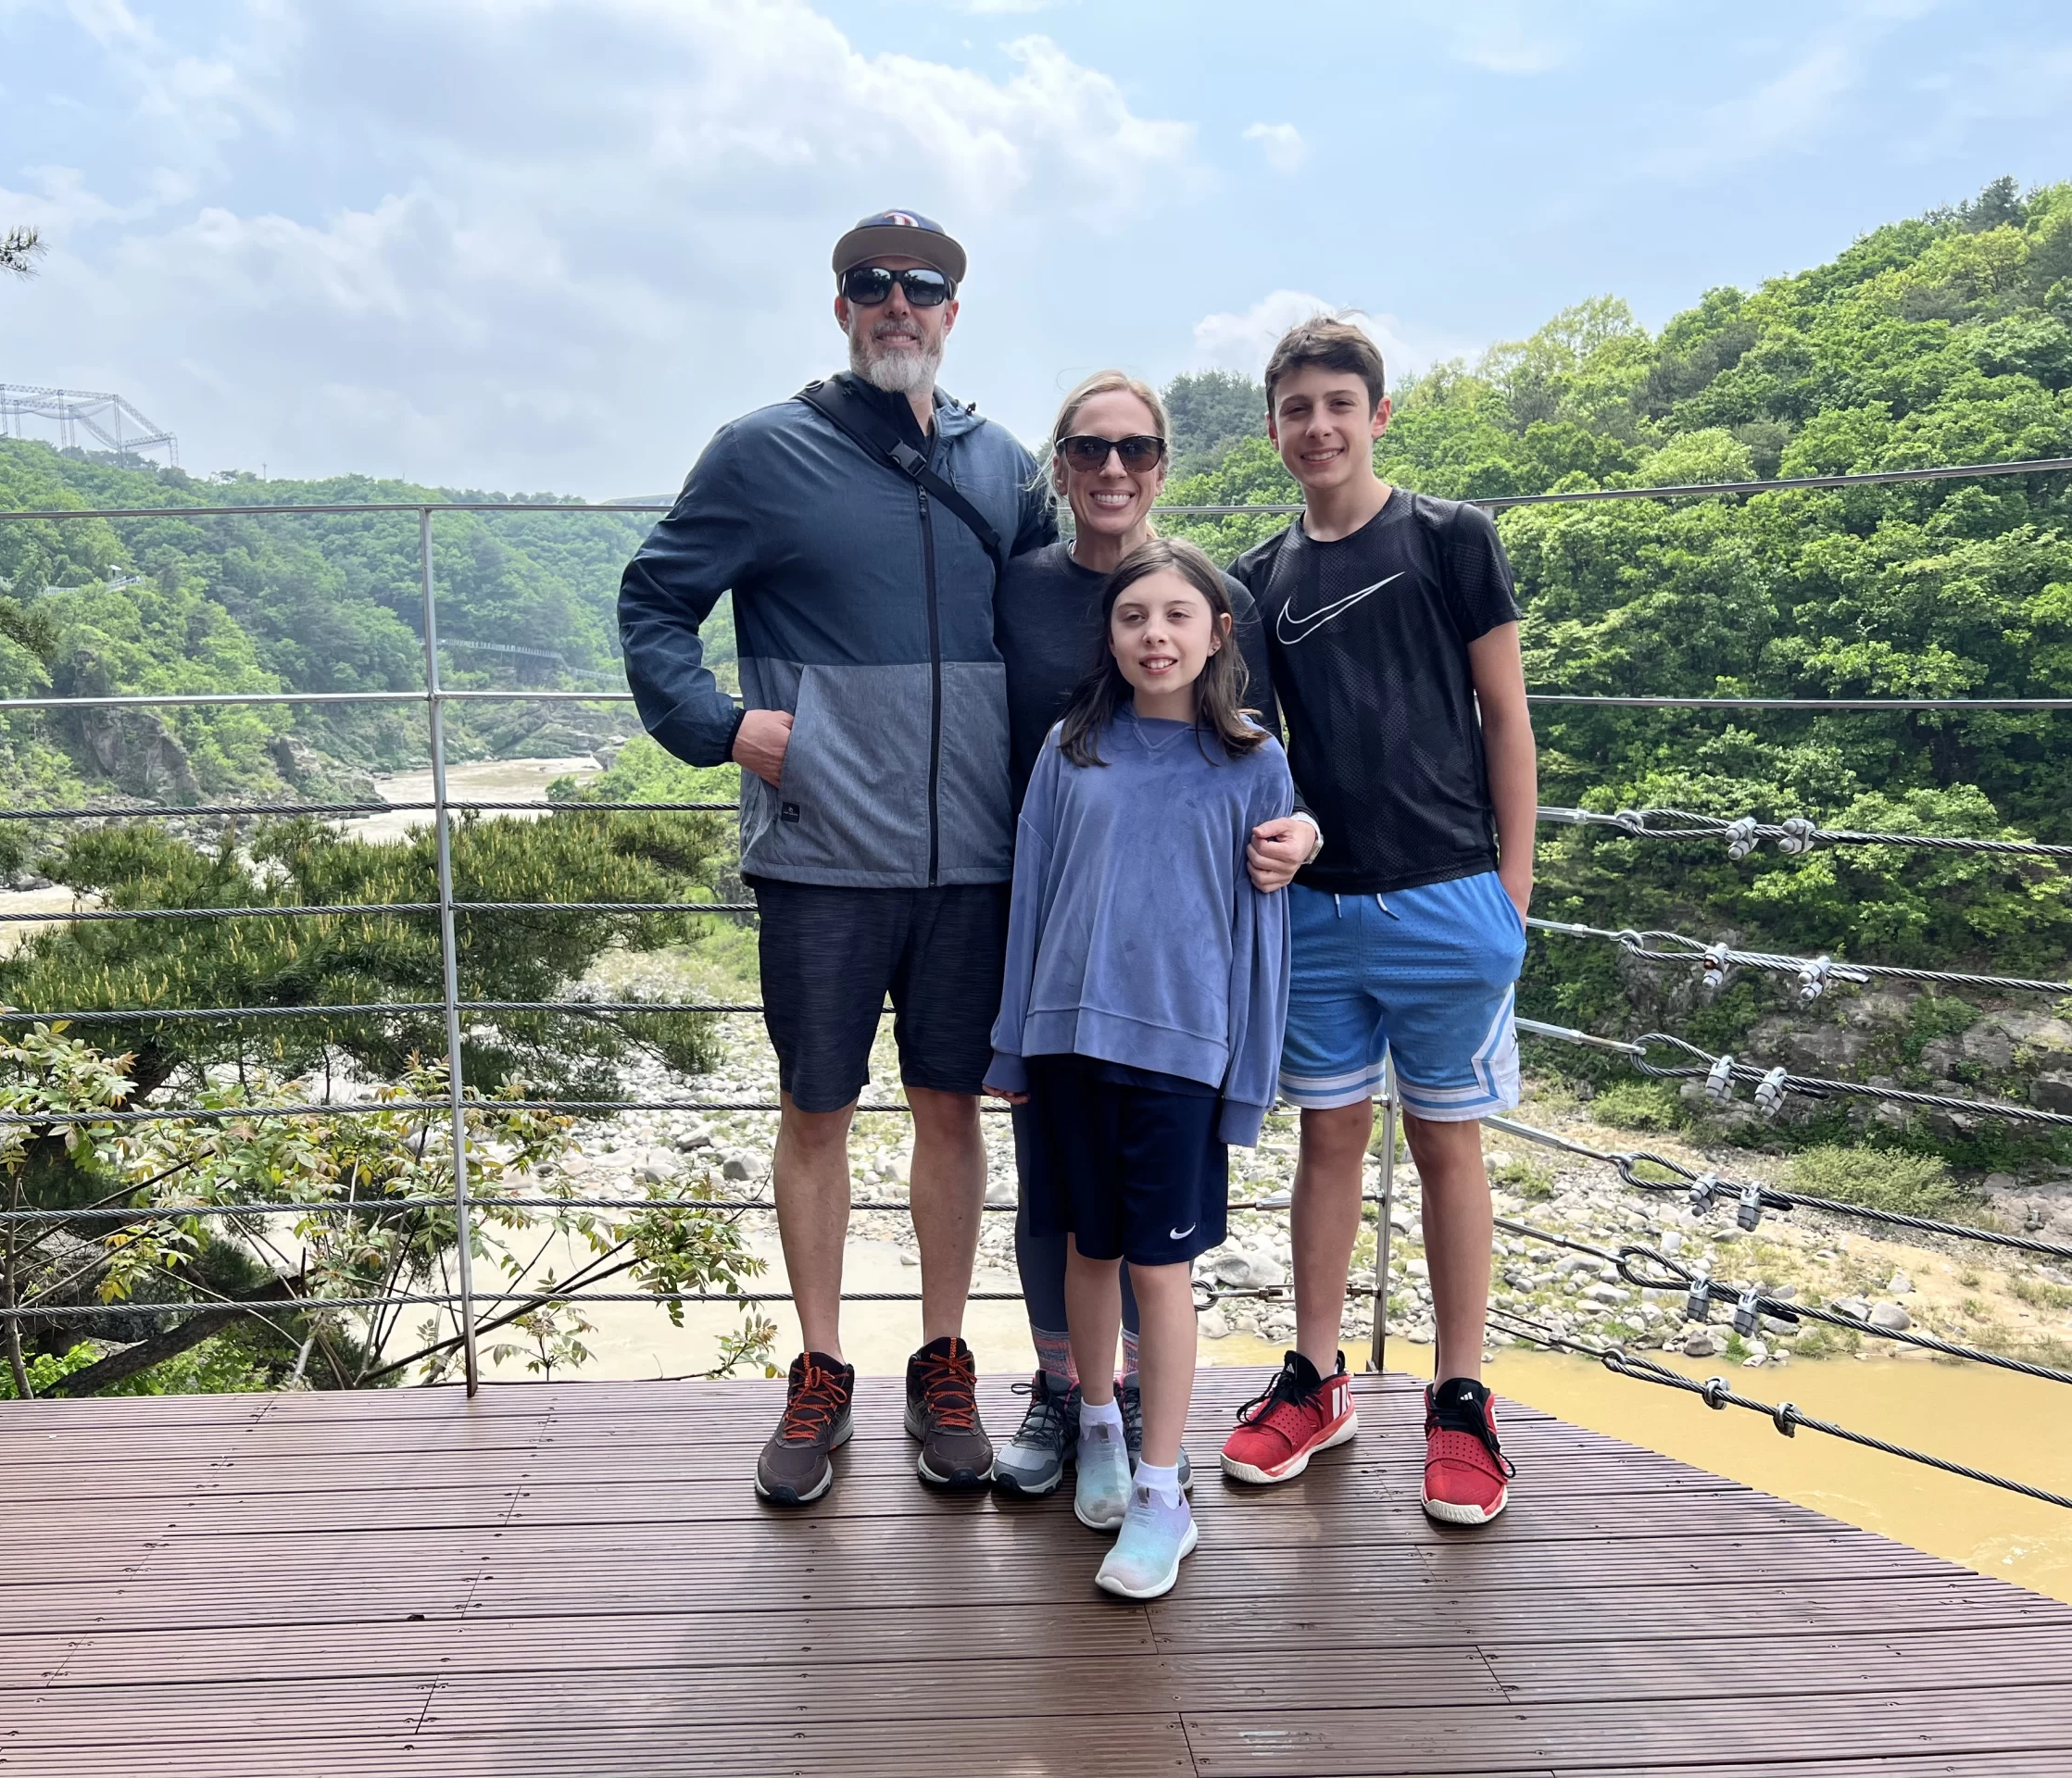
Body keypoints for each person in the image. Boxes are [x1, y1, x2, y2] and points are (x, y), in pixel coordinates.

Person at [617, 210, 1058, 1506]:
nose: (896, 304)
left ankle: (941, 1358)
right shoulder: (765, 452)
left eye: (922, 288)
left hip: (973, 853)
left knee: (947, 1107)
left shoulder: (1002, 464)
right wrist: (716, 725)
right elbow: (655, 598)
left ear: (953, 314)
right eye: (871, 285)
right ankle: (819, 1370)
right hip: (818, 853)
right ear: (841, 308)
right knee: (817, 1110)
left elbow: (1068, 623)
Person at [1221, 316, 1538, 1525]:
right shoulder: (1260, 580)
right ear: (1274, 430)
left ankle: (1461, 1398)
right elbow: (1254, 748)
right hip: (1320, 909)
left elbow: (1504, 716)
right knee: (1330, 1138)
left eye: (1338, 404)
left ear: (1378, 415)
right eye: (1296, 409)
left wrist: (1512, 892)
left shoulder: (1454, 538)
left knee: (1449, 1143)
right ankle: (1318, 1376)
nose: (1318, 427)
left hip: (1453, 892)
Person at [985, 369, 1313, 1499]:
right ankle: (1079, 1412)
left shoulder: (1241, 732)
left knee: (1158, 1264)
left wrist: (1248, 1078)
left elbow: (1266, 850)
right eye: (1086, 449)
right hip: (1067, 1007)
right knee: (1068, 1228)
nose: (1110, 468)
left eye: (1132, 450)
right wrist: (1011, 1038)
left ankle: (1153, 1463)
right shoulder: (1053, 699)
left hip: (1178, 1032)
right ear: (1060, 464)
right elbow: (1032, 876)